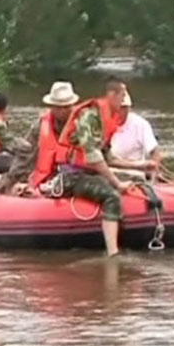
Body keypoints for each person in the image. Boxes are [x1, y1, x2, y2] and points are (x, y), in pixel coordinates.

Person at [53, 76, 134, 257]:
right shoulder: (88, 117)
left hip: (90, 174)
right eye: (122, 95)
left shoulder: (106, 119)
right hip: (73, 176)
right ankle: (113, 254)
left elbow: (108, 157)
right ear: (112, 94)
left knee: (134, 183)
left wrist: (142, 166)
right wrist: (116, 183)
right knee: (112, 196)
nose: (123, 101)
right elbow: (93, 157)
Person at [0, 81, 79, 194]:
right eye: (58, 107)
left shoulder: (83, 124)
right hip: (46, 178)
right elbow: (25, 153)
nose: (62, 111)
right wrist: (12, 177)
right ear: (51, 106)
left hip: (75, 176)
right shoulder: (41, 124)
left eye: (66, 107)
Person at [108, 87, 163, 177]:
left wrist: (153, 174)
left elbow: (155, 152)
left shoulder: (140, 124)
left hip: (133, 176)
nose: (119, 112)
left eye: (123, 108)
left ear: (128, 109)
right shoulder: (102, 123)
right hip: (108, 175)